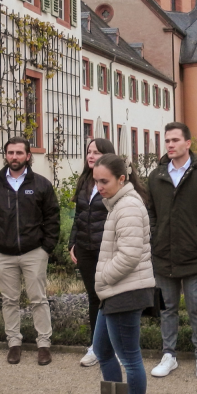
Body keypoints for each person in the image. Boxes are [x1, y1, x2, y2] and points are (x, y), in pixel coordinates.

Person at [146, 122, 197, 380]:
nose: (170, 144)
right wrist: (156, 234)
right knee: (167, 308)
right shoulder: (156, 176)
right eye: (167, 140)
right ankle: (168, 355)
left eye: (175, 140)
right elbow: (151, 212)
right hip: (163, 254)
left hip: (194, 255)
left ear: (188, 143)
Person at [88, 154, 155, 394]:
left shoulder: (127, 206)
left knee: (129, 358)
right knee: (103, 351)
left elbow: (129, 256)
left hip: (126, 291)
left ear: (122, 179)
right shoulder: (117, 204)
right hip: (115, 291)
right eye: (96, 181)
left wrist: (103, 278)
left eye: (104, 181)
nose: (99, 186)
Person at [0, 137, 60, 366]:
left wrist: (46, 248)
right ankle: (14, 343)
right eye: (10, 152)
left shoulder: (41, 185)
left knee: (39, 299)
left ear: (28, 156)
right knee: (9, 300)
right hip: (3, 254)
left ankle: (43, 344)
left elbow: (52, 218)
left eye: (19, 153)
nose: (14, 157)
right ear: (5, 155)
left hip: (34, 252)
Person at [69, 138, 116, 367]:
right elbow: (78, 217)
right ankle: (96, 346)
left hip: (107, 249)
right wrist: (72, 243)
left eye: (96, 152)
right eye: (88, 151)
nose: (90, 155)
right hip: (85, 248)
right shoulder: (84, 182)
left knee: (112, 297)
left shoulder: (114, 184)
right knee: (94, 298)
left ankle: (115, 345)